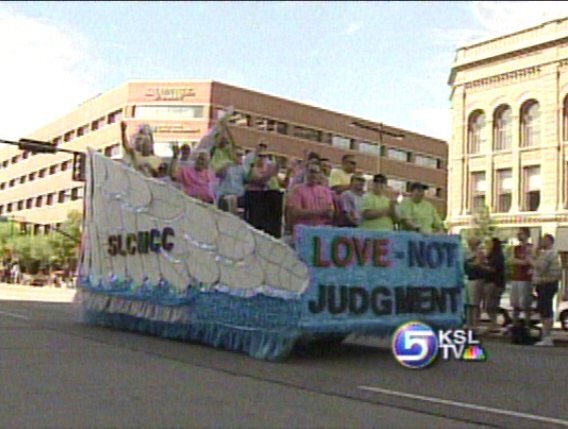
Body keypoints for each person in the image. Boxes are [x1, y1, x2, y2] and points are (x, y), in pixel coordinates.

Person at [529, 234, 562, 346]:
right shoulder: (548, 253)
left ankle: (547, 336)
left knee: (546, 310)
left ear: (549, 241)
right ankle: (545, 335)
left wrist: (531, 259)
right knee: (544, 310)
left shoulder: (549, 253)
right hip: (545, 284)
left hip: (546, 284)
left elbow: (540, 267)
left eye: (543, 240)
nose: (541, 242)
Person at [286, 163, 334, 238]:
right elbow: (295, 213)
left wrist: (308, 212)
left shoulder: (325, 191)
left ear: (320, 175)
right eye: (311, 171)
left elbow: (330, 213)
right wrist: (321, 212)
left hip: (321, 232)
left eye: (316, 172)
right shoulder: (297, 189)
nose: (313, 174)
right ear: (306, 173)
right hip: (303, 231)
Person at [510, 227, 534, 330]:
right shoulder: (516, 248)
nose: (519, 236)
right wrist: (522, 261)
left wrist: (521, 261)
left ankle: (527, 324)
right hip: (516, 277)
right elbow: (511, 260)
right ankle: (515, 324)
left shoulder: (531, 248)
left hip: (526, 279)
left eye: (521, 234)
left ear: (527, 235)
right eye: (518, 234)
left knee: (525, 304)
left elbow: (529, 262)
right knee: (515, 304)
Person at [463, 237, 487, 332]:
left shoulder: (479, 252)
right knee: (468, 303)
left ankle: (475, 323)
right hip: (468, 278)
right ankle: (469, 323)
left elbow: (477, 263)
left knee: (475, 303)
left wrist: (469, 263)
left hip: (477, 279)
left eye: (471, 243)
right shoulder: (466, 253)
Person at [483, 238, 506, 334]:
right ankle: (493, 323)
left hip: (495, 282)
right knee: (489, 305)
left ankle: (494, 323)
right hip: (489, 281)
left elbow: (493, 269)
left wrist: (482, 266)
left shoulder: (497, 256)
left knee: (491, 305)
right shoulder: (490, 255)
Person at [216, 148, 247, 215]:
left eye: (241, 155)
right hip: (226, 194)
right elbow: (217, 174)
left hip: (239, 195)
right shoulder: (226, 164)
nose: (240, 157)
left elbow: (247, 180)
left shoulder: (243, 168)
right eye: (238, 155)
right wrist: (226, 166)